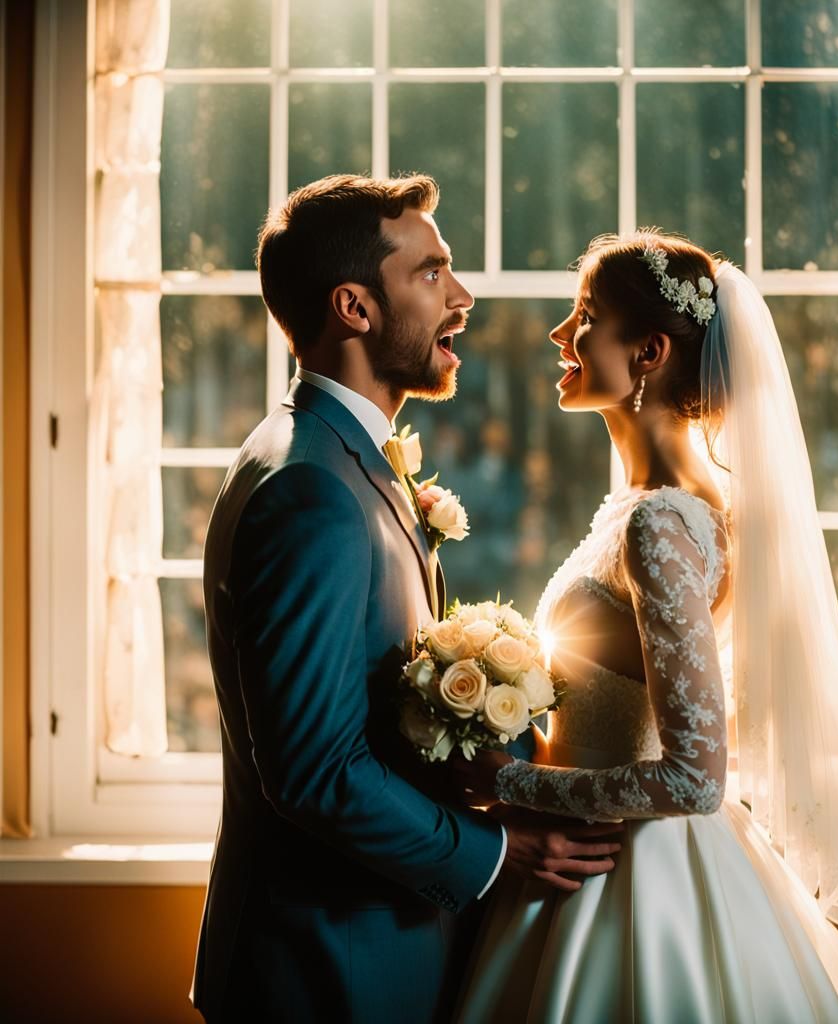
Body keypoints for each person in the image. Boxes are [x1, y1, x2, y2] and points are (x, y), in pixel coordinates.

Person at [189, 174, 623, 1024]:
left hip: (358, 952)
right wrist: (496, 854)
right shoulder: (308, 488)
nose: (461, 297)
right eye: (431, 274)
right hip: (329, 970)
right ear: (354, 307)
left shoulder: (332, 452)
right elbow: (316, 772)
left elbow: (368, 711)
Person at [453, 230, 838, 1023]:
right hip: (589, 862)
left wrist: (505, 782)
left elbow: (696, 780)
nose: (561, 335)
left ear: (649, 352)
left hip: (633, 880)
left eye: (585, 316)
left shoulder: (661, 524)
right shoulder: (648, 508)